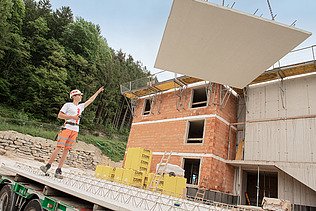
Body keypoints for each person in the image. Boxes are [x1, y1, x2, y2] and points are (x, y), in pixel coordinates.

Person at [40, 86, 104, 179]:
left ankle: (59, 170)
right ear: (74, 96)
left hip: (75, 129)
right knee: (59, 147)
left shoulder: (80, 106)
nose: (81, 96)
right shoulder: (68, 105)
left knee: (66, 150)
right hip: (67, 127)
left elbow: (90, 100)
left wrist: (98, 92)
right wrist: (73, 117)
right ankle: (47, 166)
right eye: (79, 95)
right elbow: (60, 115)